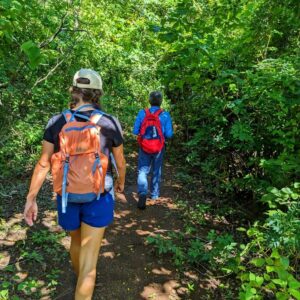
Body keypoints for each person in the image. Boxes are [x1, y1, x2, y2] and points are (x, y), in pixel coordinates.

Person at [23, 69, 126, 300]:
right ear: (97, 94)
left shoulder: (57, 121)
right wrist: (121, 182)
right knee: (90, 263)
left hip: (67, 197)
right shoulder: (109, 122)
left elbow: (43, 163)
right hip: (99, 195)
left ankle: (80, 280)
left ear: (73, 91)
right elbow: (120, 161)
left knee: (76, 241)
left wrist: (31, 198)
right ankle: (84, 284)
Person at [133, 91, 173, 209]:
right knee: (156, 169)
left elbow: (135, 131)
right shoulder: (165, 115)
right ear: (161, 102)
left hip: (144, 146)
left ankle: (142, 193)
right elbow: (169, 134)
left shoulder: (142, 113)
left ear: (149, 101)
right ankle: (154, 194)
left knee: (142, 170)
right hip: (159, 147)